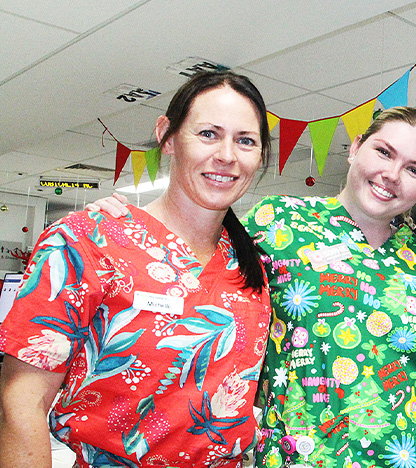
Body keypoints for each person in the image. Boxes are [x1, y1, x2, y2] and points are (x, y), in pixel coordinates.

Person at [0, 70, 273, 468]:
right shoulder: (86, 242)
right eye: (209, 134)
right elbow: (20, 401)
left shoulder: (251, 267)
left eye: (245, 141)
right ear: (167, 135)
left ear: (261, 154)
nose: (227, 156)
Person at [241, 107, 416, 468]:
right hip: (307, 455)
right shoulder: (278, 222)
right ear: (356, 147)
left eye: (414, 170)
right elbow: (201, 278)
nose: (392, 175)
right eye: (384, 152)